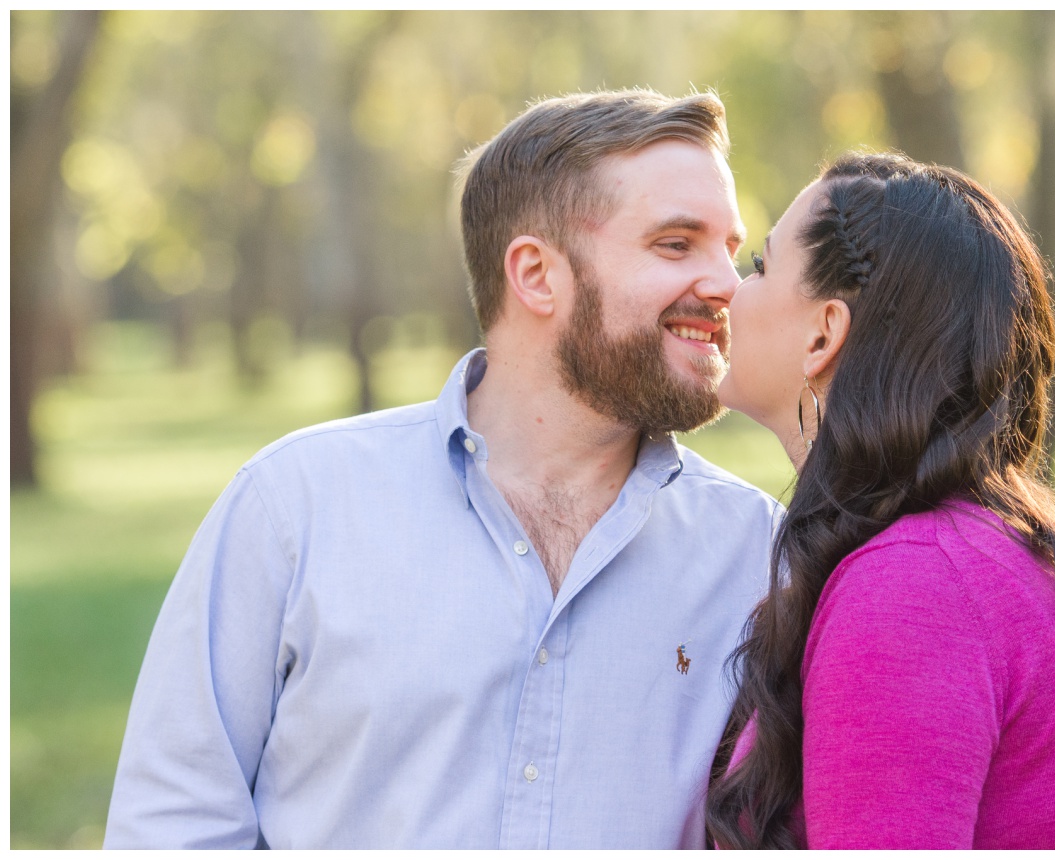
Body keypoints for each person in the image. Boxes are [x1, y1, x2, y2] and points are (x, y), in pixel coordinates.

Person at [104, 88, 780, 849]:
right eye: (676, 244)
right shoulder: (295, 508)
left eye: (731, 247)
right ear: (535, 274)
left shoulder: (759, 554)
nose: (727, 283)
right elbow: (175, 823)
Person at [704, 152, 1055, 849]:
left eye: (758, 265)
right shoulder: (947, 555)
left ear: (823, 334)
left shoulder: (914, 590)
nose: (724, 288)